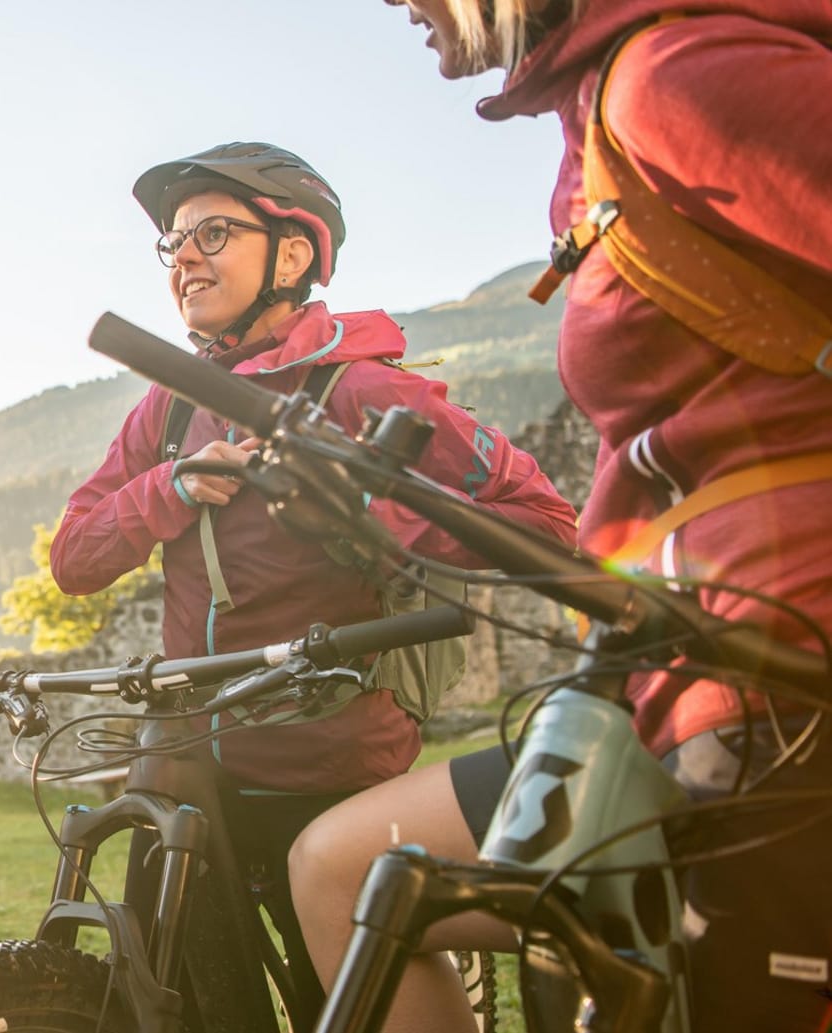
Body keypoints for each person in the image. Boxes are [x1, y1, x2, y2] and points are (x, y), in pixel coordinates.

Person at [292, 3, 832, 1030]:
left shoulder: (676, 76)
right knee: (343, 869)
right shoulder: (601, 111)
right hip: (671, 660)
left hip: (776, 668)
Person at [51, 142, 577, 793]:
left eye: (212, 234)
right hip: (193, 746)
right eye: (174, 242)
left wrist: (361, 515)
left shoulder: (364, 390)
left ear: (292, 254)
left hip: (332, 753)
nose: (182, 257)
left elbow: (550, 524)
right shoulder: (170, 408)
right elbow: (73, 560)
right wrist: (172, 484)